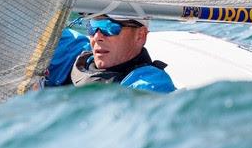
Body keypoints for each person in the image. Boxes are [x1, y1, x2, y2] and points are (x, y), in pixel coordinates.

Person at [44, 15, 176, 93]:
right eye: (92, 27)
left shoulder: (148, 86)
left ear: (140, 36)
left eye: (109, 27)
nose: (97, 37)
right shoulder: (74, 54)